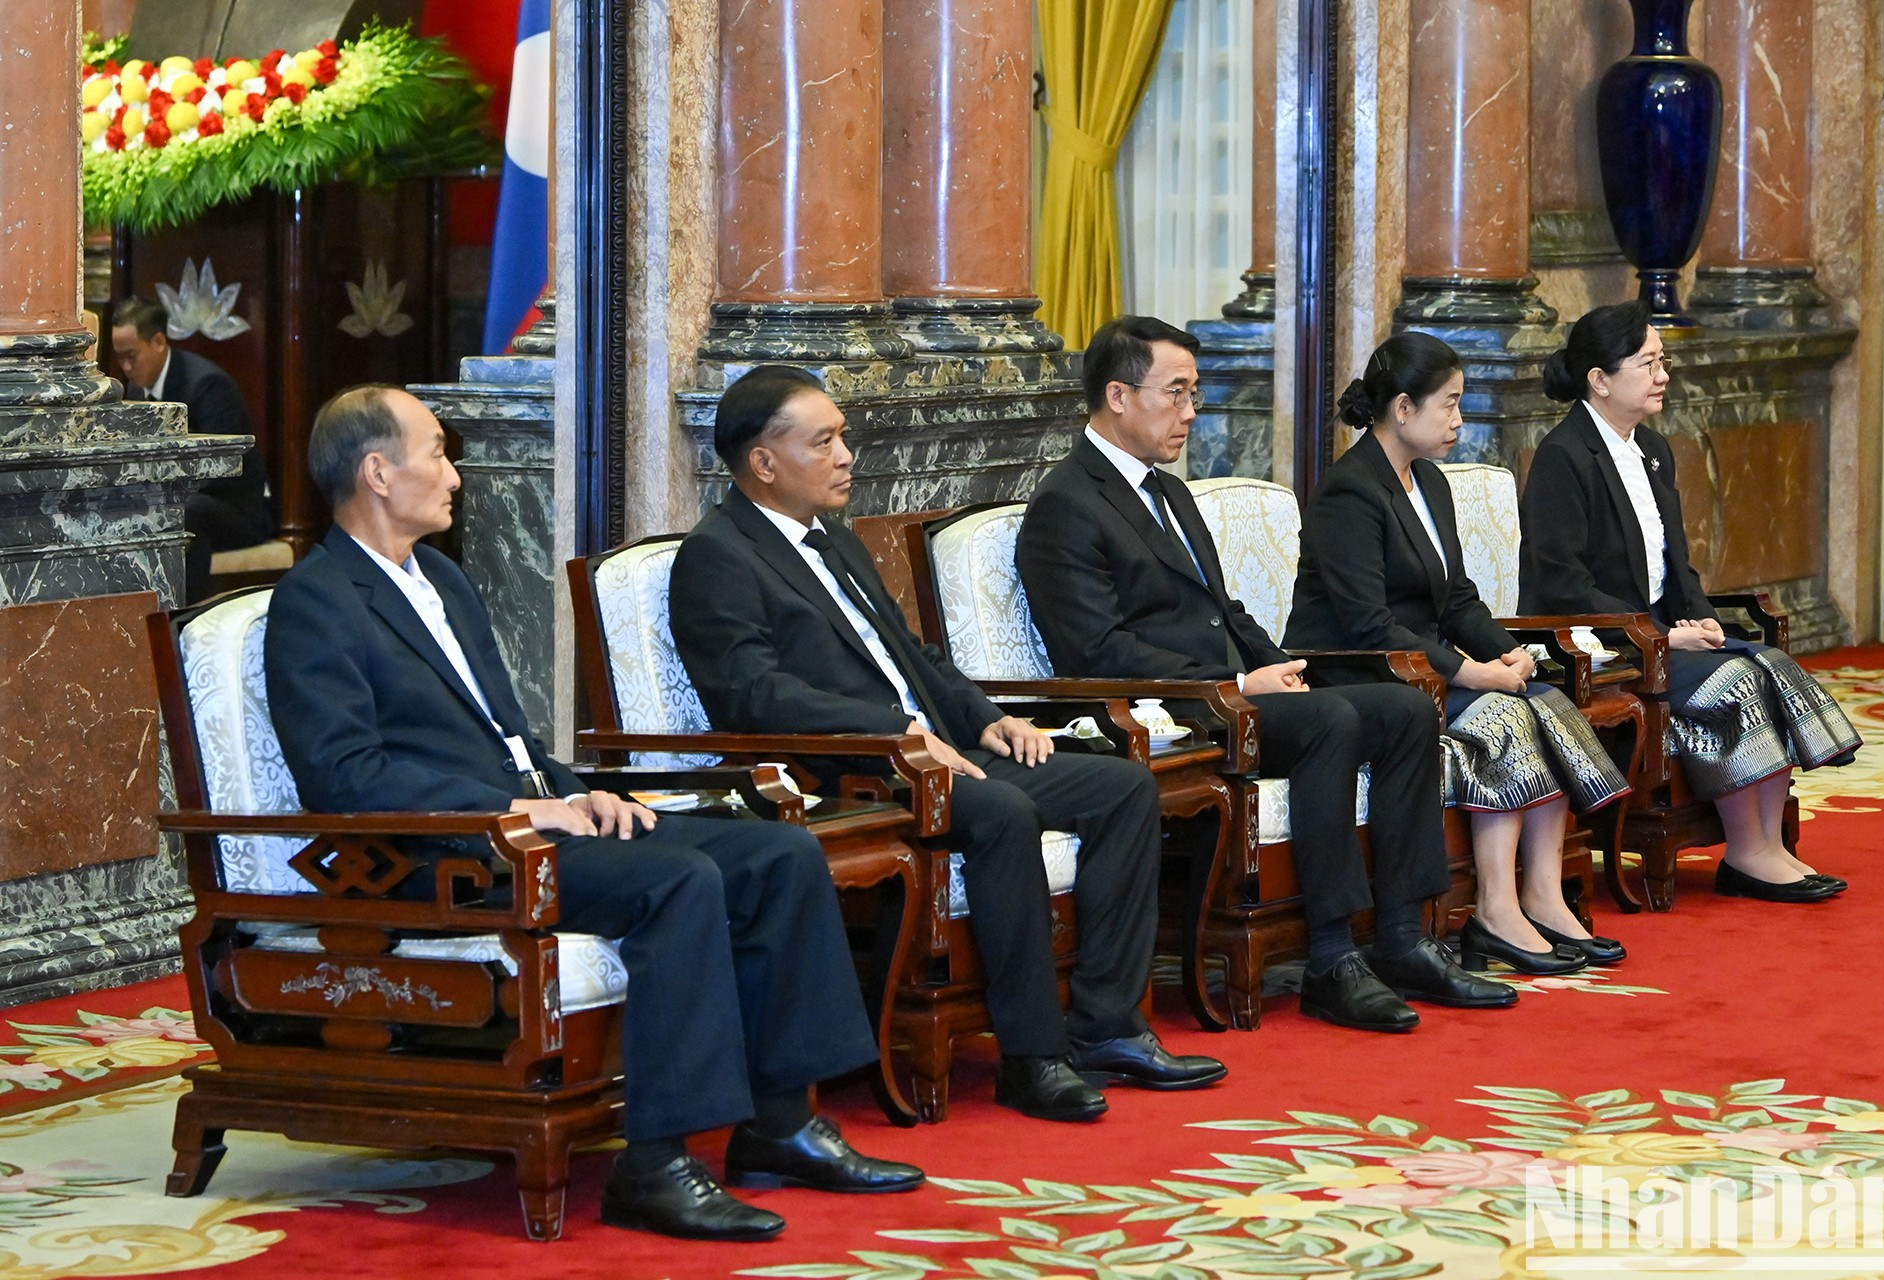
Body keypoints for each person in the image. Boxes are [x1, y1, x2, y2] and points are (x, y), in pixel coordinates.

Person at [264, 385, 922, 1244]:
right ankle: (654, 1166)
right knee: (679, 879)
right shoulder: (317, 600)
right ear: (378, 472)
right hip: (446, 853)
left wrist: (575, 791)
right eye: (439, 453)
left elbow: (507, 736)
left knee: (776, 855)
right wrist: (521, 807)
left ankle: (781, 1126)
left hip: (529, 824)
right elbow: (343, 776)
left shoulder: (447, 583)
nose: (456, 476)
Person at [669, 365, 1226, 1123]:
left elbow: (913, 655)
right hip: (855, 770)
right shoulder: (718, 555)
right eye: (825, 441)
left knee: (1123, 788)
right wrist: (897, 732)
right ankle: (1031, 1058)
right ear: (763, 463)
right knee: (999, 812)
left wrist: (986, 717)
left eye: (844, 438)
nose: (846, 456)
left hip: (944, 748)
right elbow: (751, 695)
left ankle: (1107, 1025)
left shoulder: (830, 538)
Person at [1016, 314, 1515, 1033]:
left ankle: (1405, 937)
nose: (1191, 412)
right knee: (1330, 719)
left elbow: (1227, 610)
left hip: (1234, 695)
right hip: (1168, 708)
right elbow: (1097, 652)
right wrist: (1239, 687)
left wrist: (1277, 664)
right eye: (1177, 393)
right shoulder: (1067, 504)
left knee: (1404, 710)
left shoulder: (1171, 492)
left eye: (1195, 393)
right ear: (1119, 396)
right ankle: (1332, 957)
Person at [1284, 332, 1633, 973]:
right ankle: (1496, 914)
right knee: (1503, 716)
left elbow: (1459, 601)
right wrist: (1469, 672)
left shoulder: (1430, 485)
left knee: (1544, 697)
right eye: (1448, 404)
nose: (1459, 419)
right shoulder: (1350, 491)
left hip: (1423, 668)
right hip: (1355, 673)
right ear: (1403, 409)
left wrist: (1511, 655)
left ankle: (1545, 897)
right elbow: (1367, 623)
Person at [1520, 300, 1861, 904]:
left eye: (1663, 361)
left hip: (1661, 635)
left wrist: (1698, 614)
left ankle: (1768, 847)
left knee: (1772, 665)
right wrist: (1656, 635)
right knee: (1734, 680)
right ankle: (1749, 851)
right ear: (1599, 379)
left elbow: (1677, 561)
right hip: (1602, 648)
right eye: (1648, 363)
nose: (1663, 375)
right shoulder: (1563, 456)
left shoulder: (1651, 447)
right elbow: (1559, 584)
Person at [111, 296, 274, 602]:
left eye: (131, 355)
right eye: (120, 358)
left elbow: (225, 470)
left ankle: (181, 613)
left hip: (239, 509)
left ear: (158, 341)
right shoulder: (136, 387)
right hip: (181, 498)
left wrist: (159, 492)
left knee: (181, 512)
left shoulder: (207, 385)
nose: (126, 367)